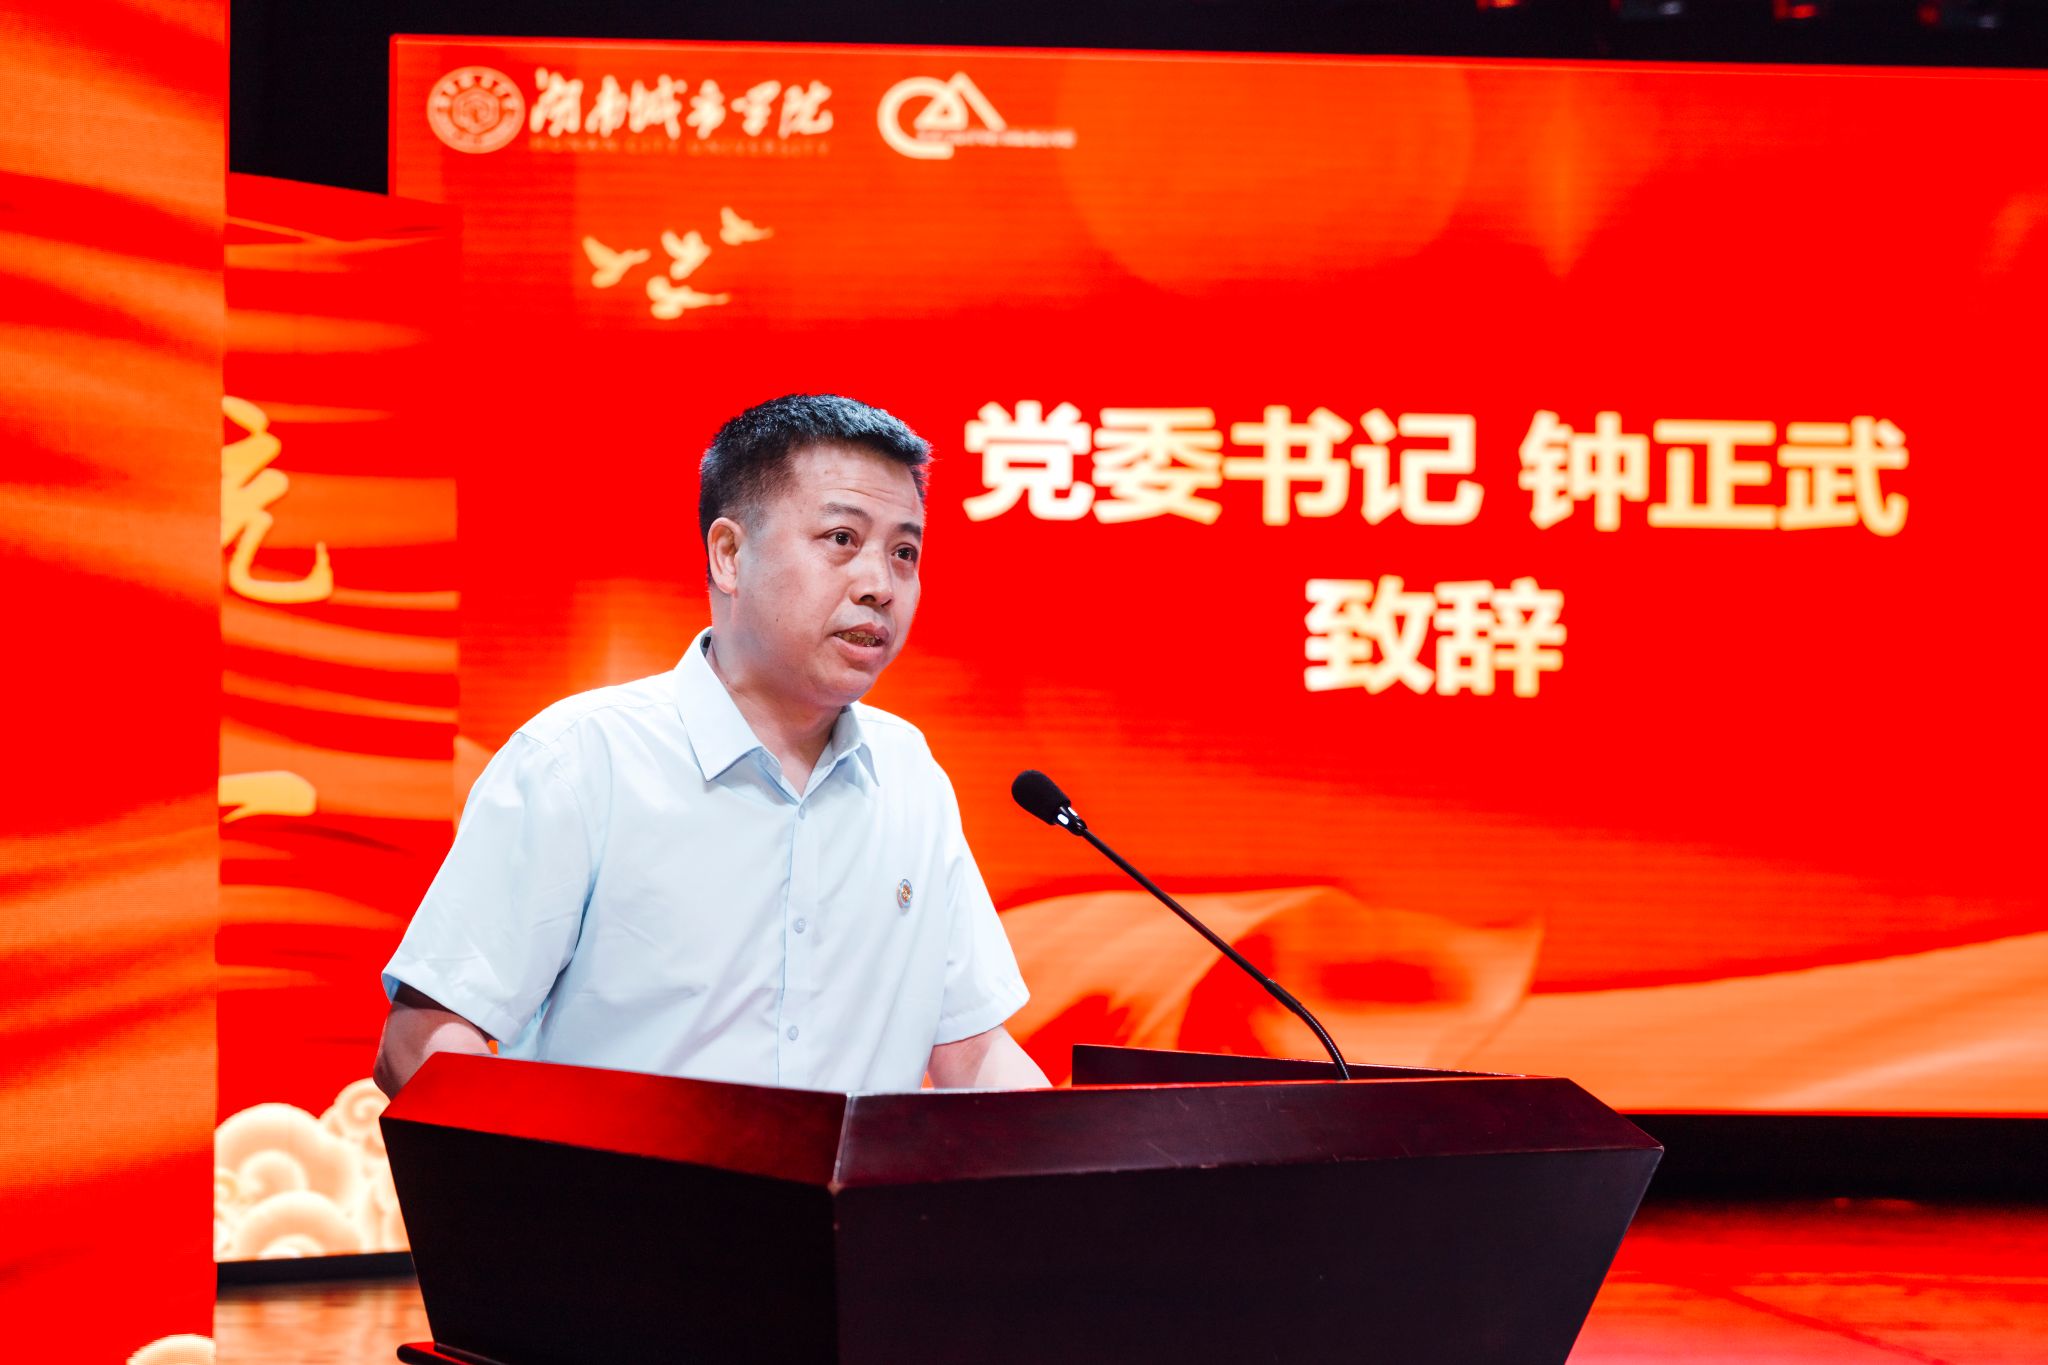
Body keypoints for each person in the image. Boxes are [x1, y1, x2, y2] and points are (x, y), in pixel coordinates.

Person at [373, 394, 1048, 1097]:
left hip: (862, 1179)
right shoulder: (582, 761)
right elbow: (423, 1036)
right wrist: (535, 1169)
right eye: (842, 539)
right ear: (729, 554)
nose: (880, 585)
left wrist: (1081, 1158)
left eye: (904, 552)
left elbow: (975, 1051)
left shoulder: (910, 776)